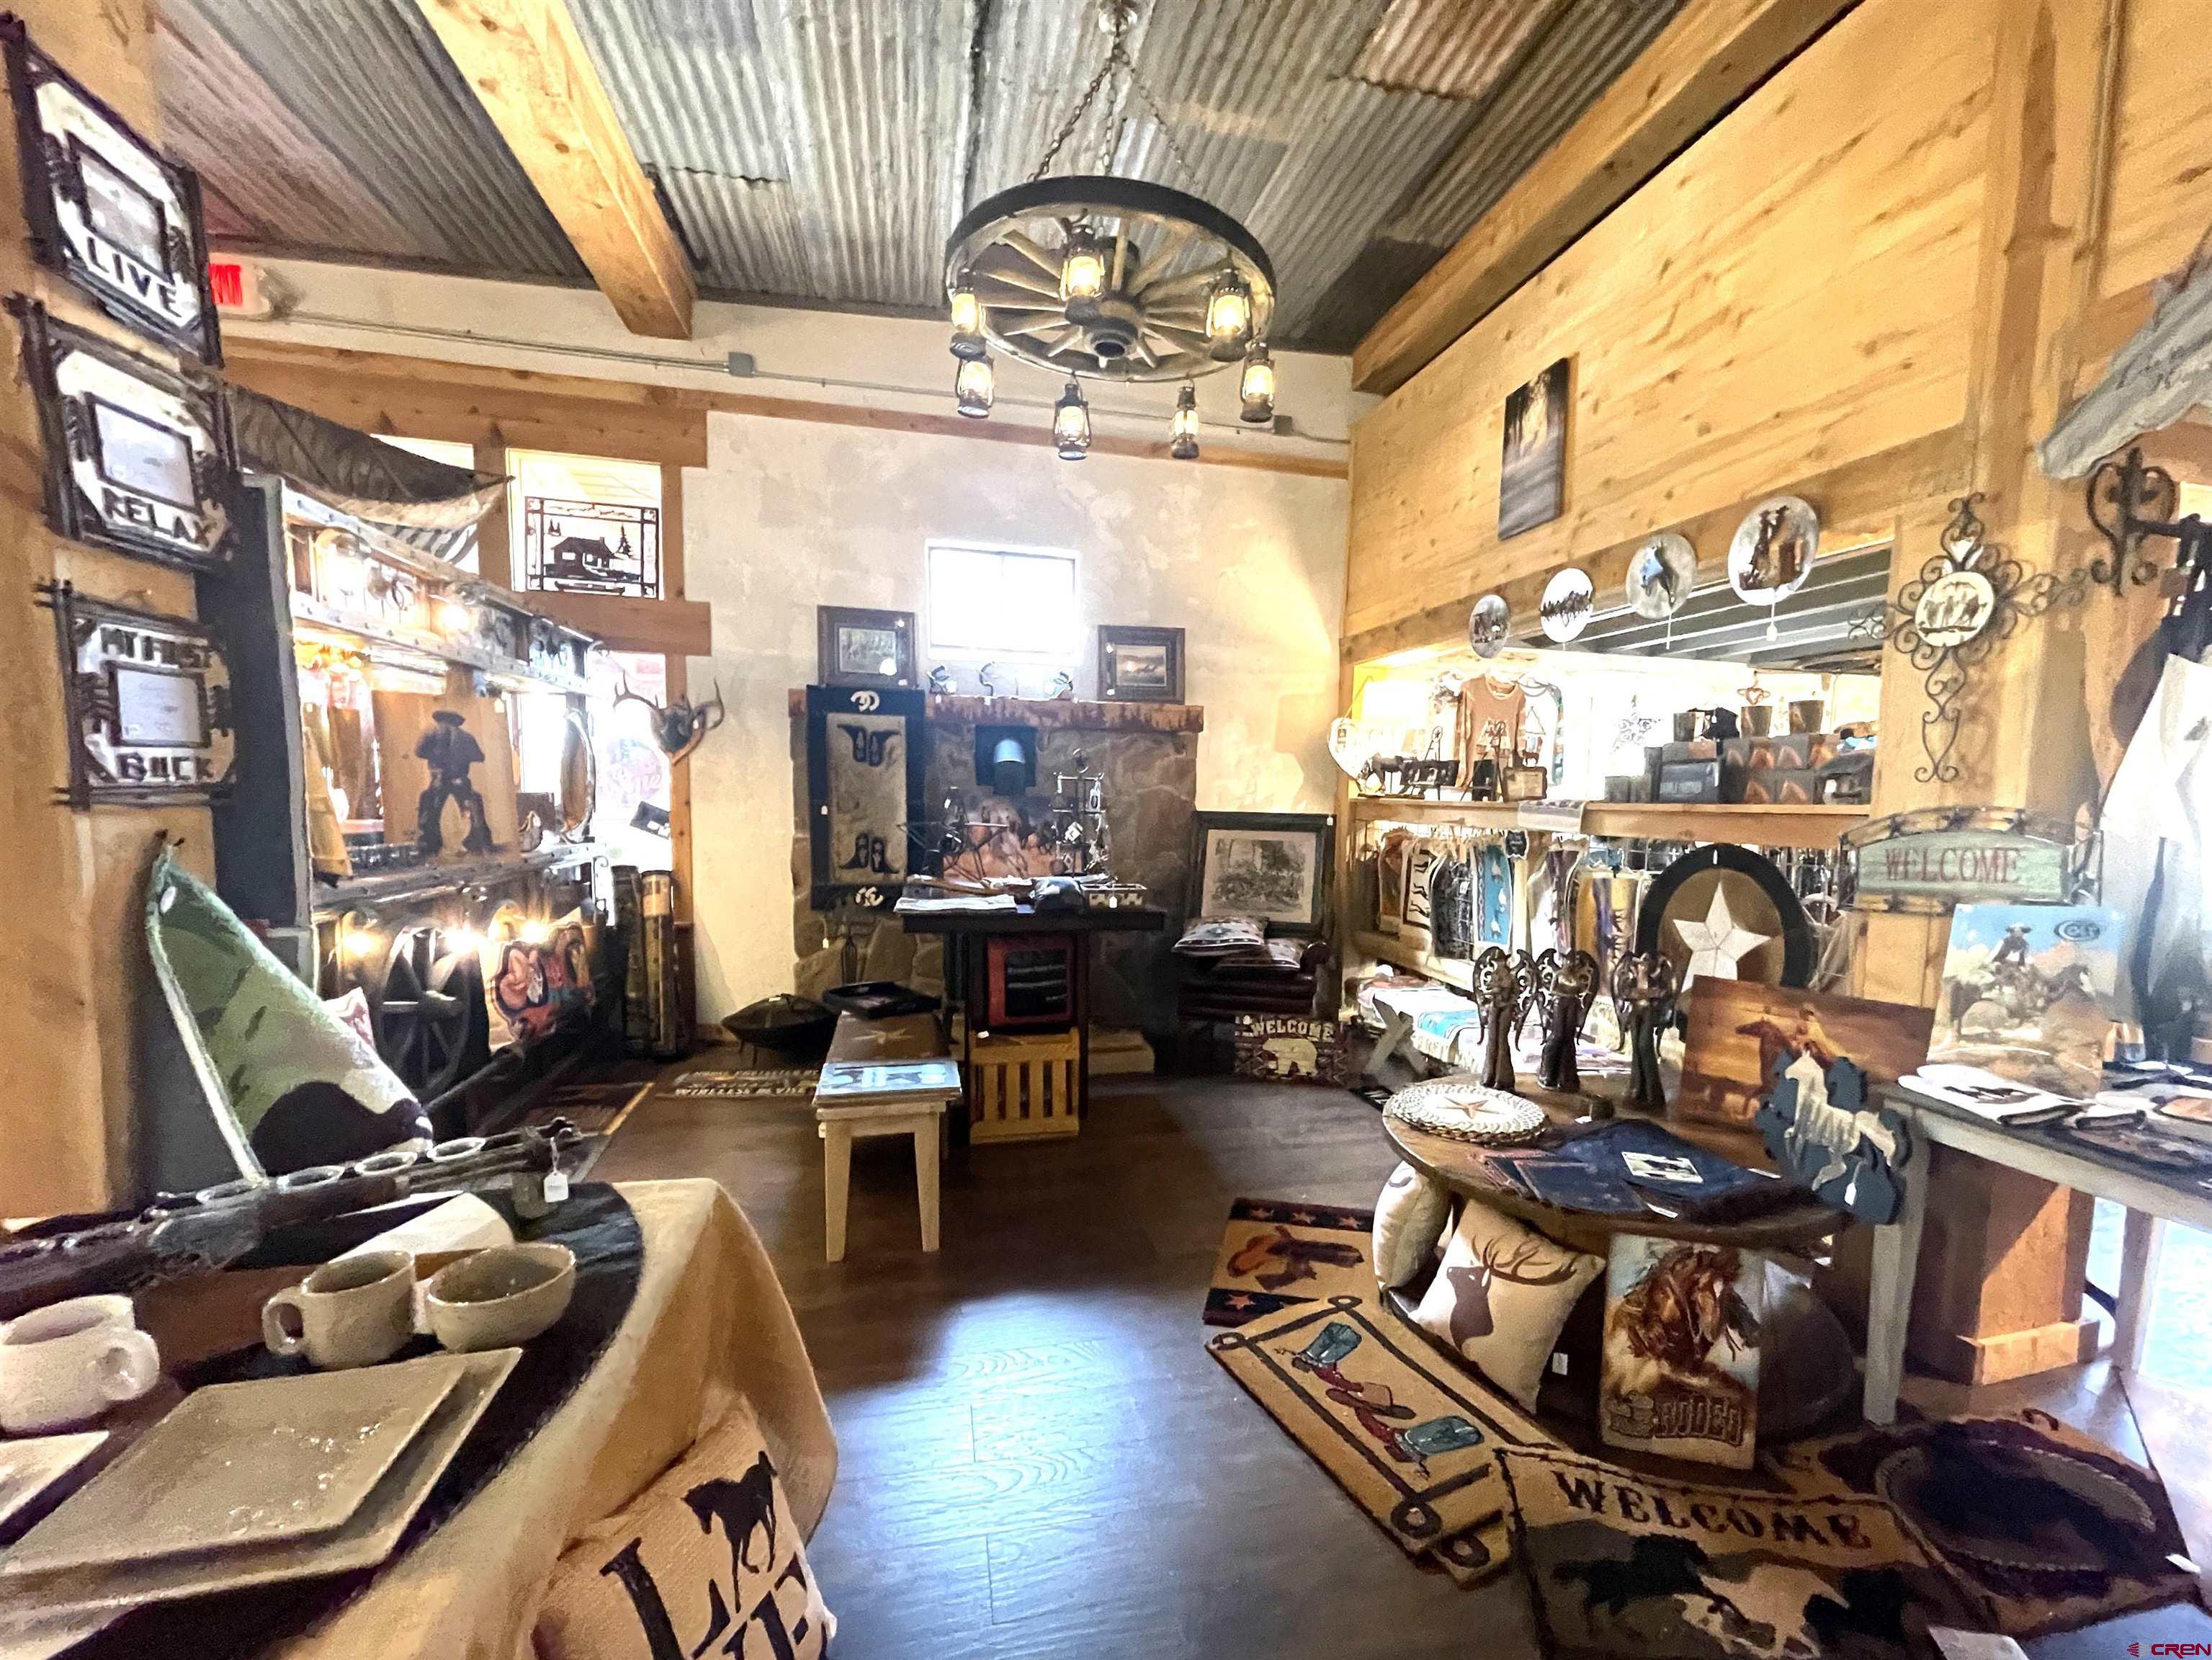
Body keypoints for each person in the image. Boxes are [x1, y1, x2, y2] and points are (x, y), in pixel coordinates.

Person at [414, 709, 495, 855]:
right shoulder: (466, 737)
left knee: (430, 807)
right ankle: (481, 842)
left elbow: (419, 752)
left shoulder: (431, 733)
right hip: (460, 779)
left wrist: (437, 756)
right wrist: (461, 756)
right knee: (473, 805)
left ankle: (429, 844)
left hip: (440, 779)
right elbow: (479, 756)